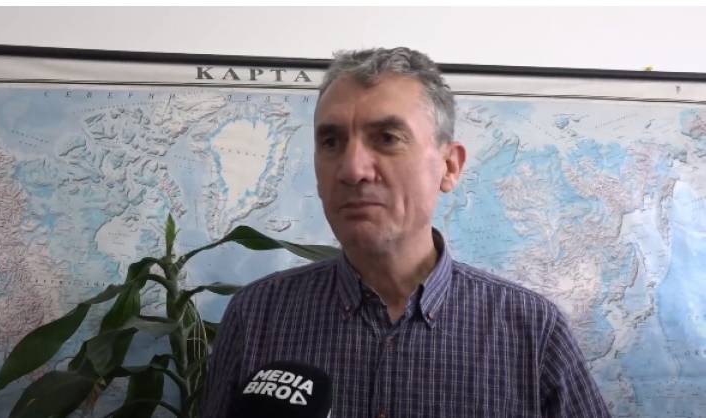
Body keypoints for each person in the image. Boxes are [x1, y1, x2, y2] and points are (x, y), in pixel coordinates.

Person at [200, 47, 611, 418]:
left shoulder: (533, 332)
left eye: (387, 138)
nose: (352, 169)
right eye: (331, 141)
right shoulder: (256, 316)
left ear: (449, 166)